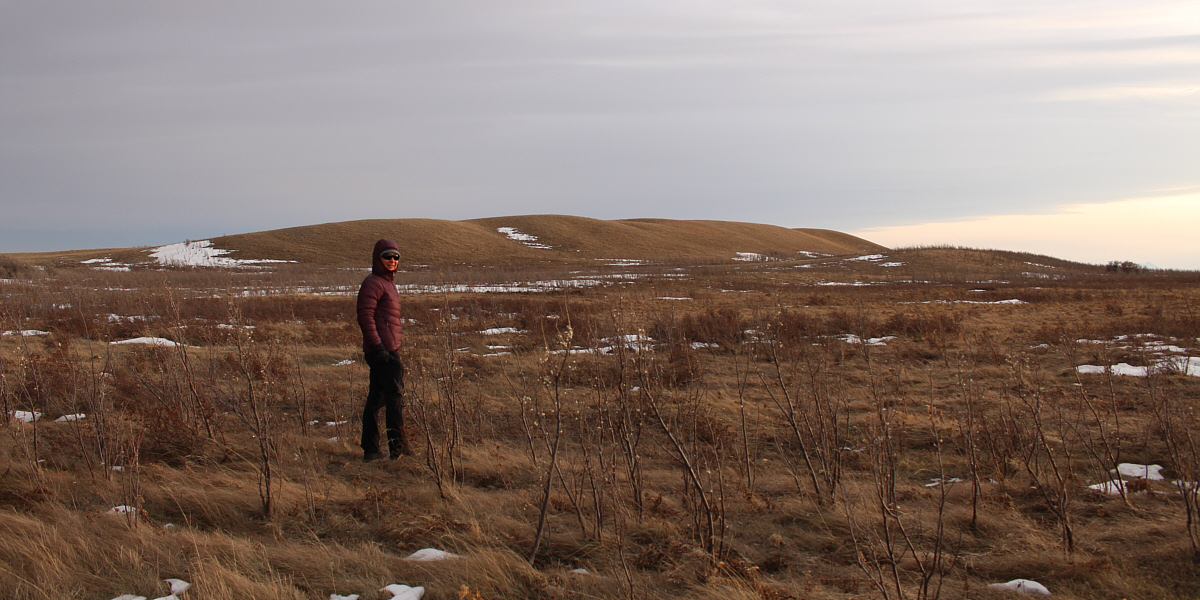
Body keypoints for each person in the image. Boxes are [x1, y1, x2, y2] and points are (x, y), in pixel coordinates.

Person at [356, 239, 411, 461]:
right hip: (383, 351)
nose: (392, 260)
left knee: (376, 399)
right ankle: (398, 449)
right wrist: (378, 346)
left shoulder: (388, 284)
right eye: (387, 256)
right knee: (394, 397)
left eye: (396, 257)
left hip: (386, 349)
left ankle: (370, 449)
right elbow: (365, 316)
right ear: (378, 258)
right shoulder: (373, 283)